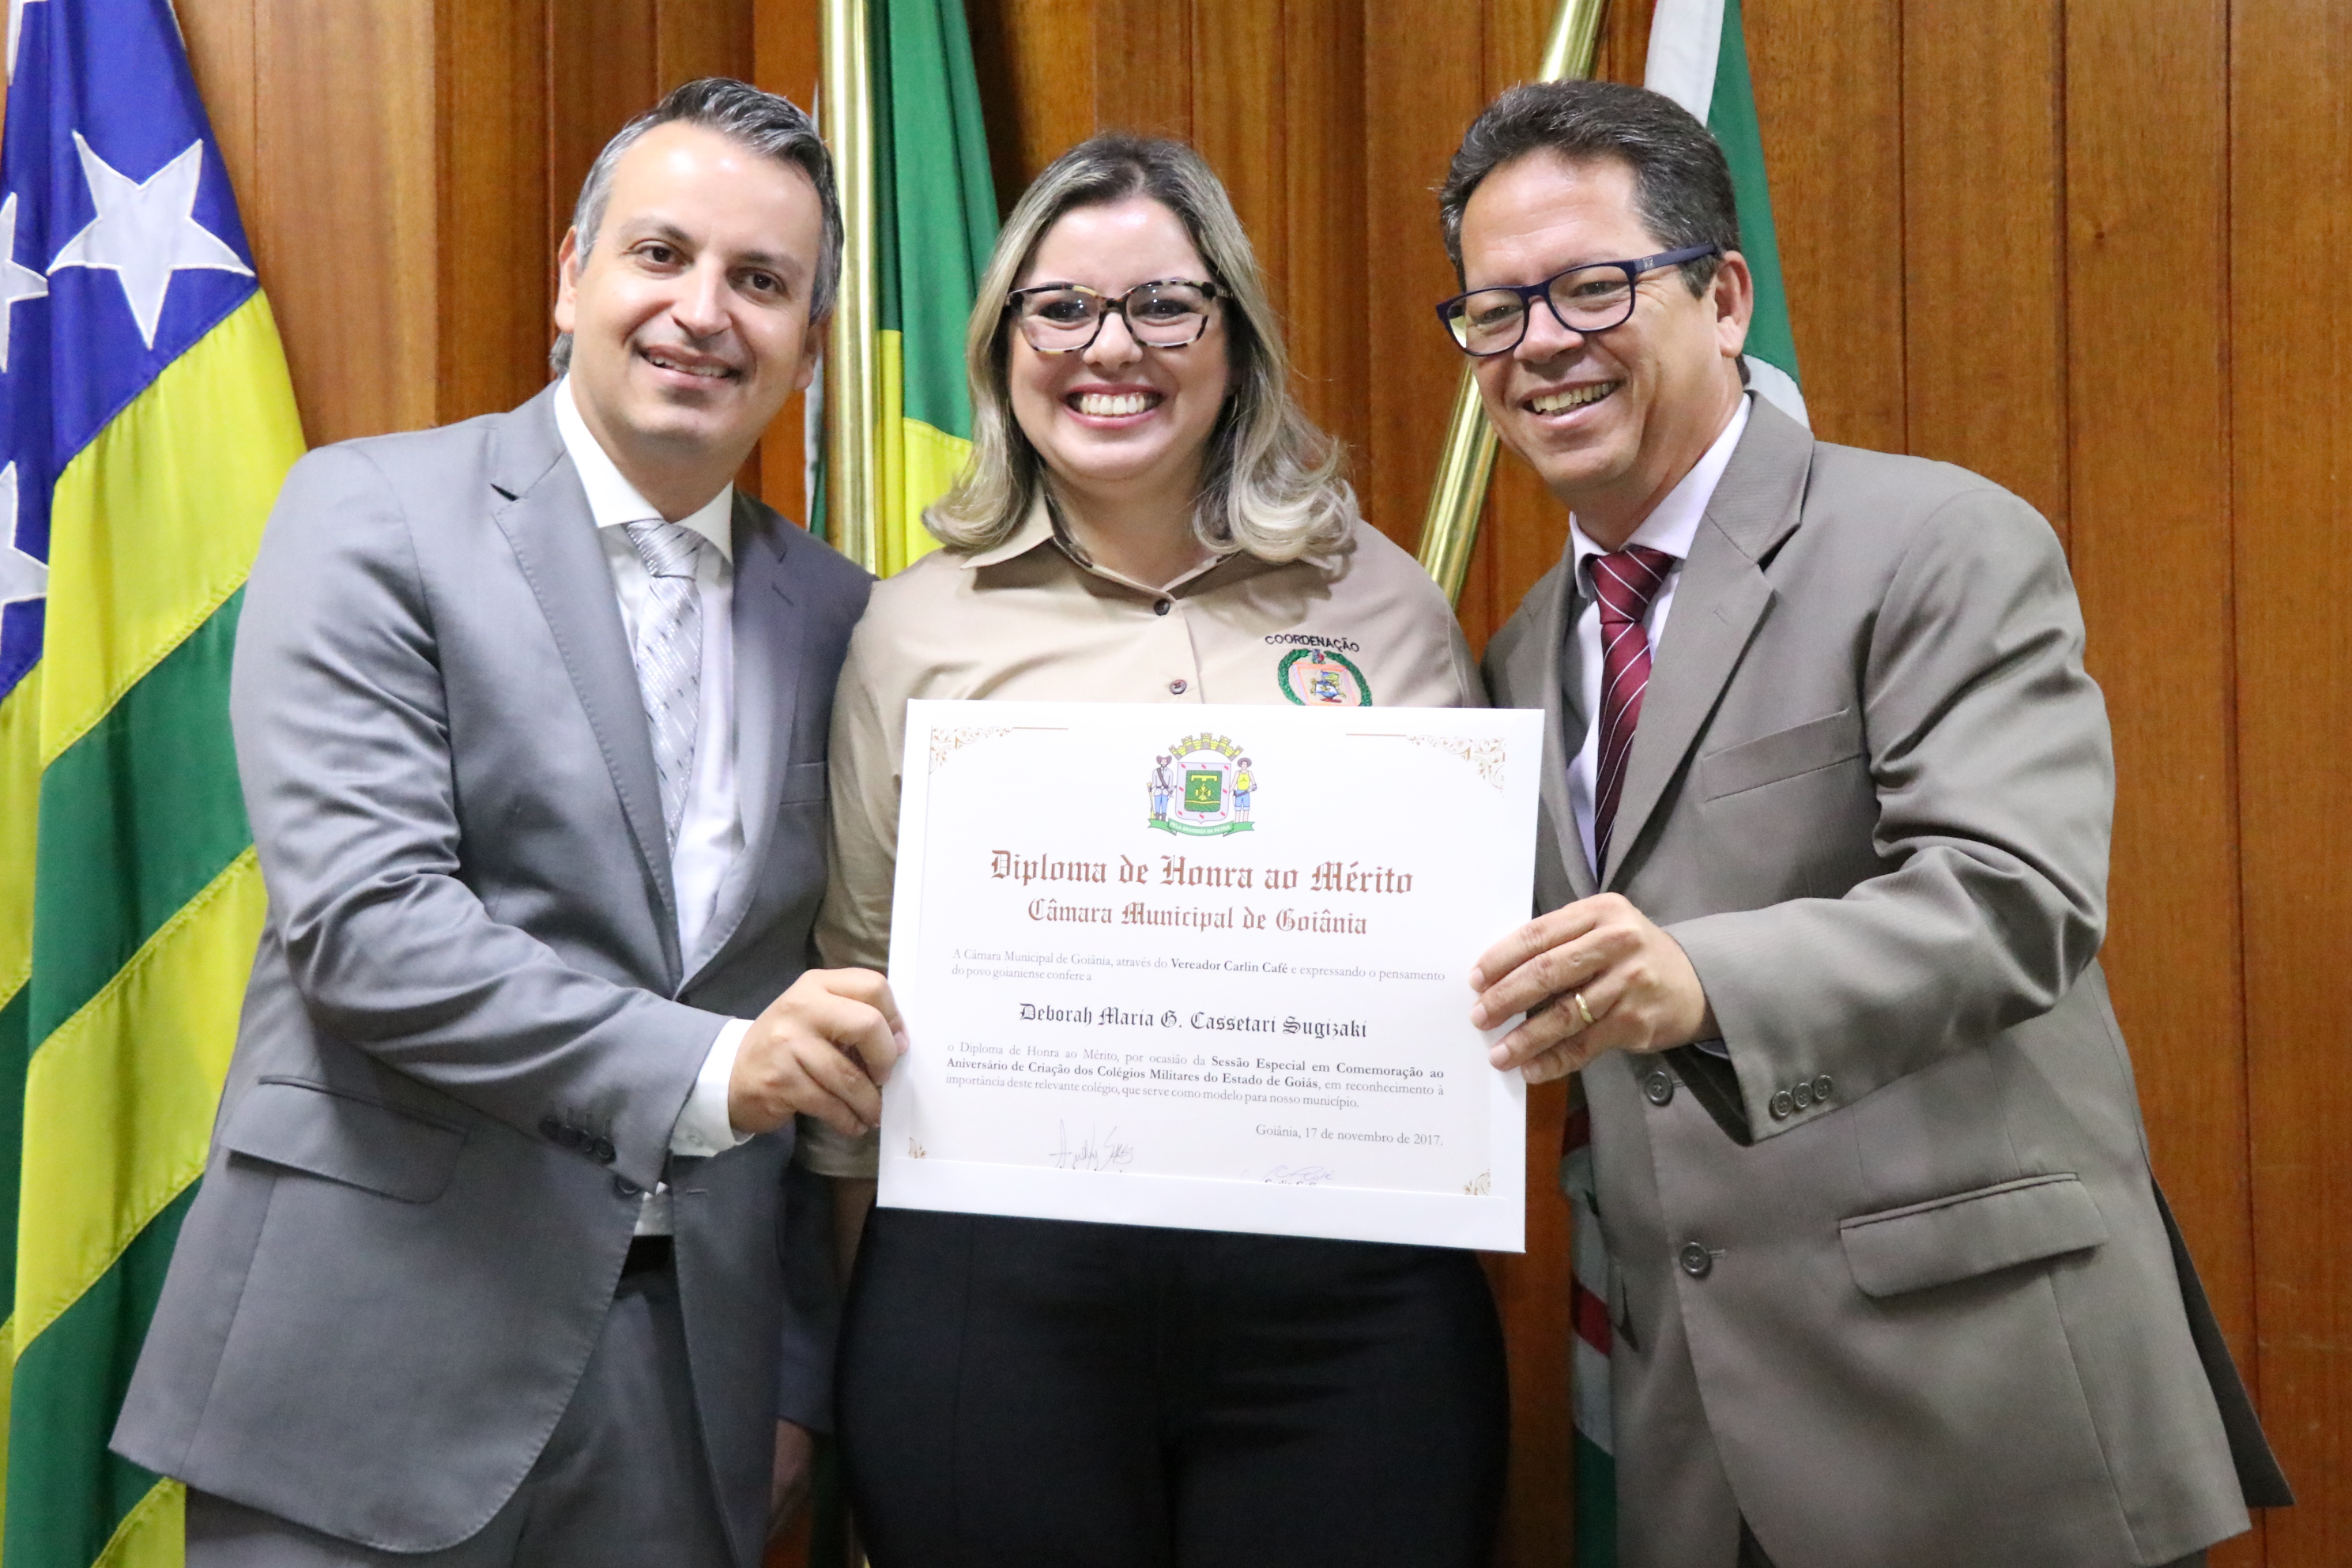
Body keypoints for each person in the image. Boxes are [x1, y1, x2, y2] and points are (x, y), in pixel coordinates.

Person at [1446, 81, 2289, 1568]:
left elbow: (2012, 894)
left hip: (1967, 1402)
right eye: (1496, 311)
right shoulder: (1524, 649)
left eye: (1592, 288)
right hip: (1696, 1430)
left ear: (1724, 298)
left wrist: (1704, 979)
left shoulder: (1934, 539)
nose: (1542, 345)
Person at [112, 78, 901, 1568]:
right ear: (571, 278)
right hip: (374, 1348)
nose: (703, 312)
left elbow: (824, 995)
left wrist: (797, 1376)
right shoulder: (369, 512)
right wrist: (714, 1070)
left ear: (808, 345)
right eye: (660, 255)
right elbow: (369, 929)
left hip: (688, 1395)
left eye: (761, 281)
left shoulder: (847, 618)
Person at [807, 133, 1506, 1566]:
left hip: (1347, 1319)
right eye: (1060, 308)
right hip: (998, 1306)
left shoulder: (1385, 603)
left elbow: (1467, 965)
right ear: (1004, 347)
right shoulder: (909, 629)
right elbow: (859, 988)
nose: (1109, 348)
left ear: (1233, 339)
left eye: (1164, 306)